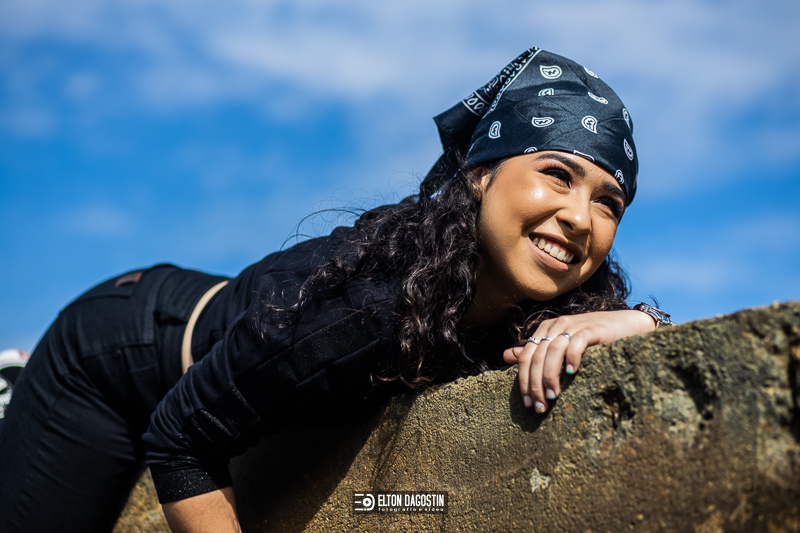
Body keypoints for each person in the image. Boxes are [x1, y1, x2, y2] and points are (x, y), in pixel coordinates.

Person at [0, 47, 671, 533]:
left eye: (608, 202)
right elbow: (180, 440)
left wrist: (640, 323)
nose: (580, 217)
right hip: (114, 360)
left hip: (234, 310)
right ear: (480, 174)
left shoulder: (551, 303)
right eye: (557, 174)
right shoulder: (369, 310)